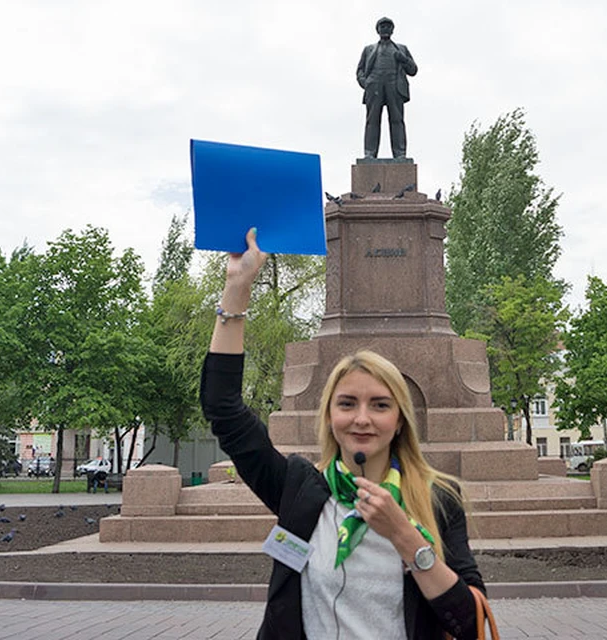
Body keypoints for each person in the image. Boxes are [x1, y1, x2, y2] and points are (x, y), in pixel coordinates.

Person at [200, 228, 485, 639]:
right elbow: (223, 409)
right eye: (347, 403)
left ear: (401, 419)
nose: (362, 419)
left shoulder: (437, 499)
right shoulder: (301, 489)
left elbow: (472, 624)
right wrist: (237, 289)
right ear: (329, 414)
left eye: (380, 405)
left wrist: (405, 536)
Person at [356, 17, 418, 159]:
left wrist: (403, 58)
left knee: (397, 120)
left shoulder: (402, 49)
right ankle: (370, 153)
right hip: (374, 85)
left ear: (392, 30)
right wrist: (366, 84)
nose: (385, 29)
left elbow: (413, 70)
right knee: (372, 120)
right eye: (382, 26)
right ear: (377, 30)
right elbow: (360, 70)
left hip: (395, 85)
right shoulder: (369, 49)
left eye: (388, 26)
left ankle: (400, 154)